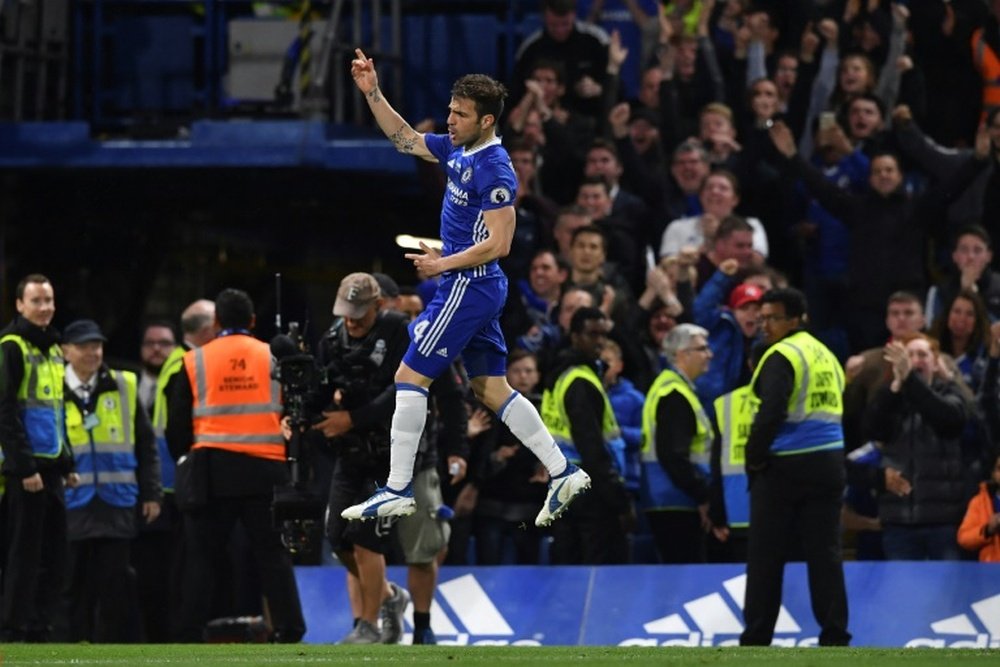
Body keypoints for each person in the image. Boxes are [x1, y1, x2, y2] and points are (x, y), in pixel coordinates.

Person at [342, 49, 590, 527]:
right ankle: (562, 471)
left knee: (409, 377)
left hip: (469, 284)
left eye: (460, 114)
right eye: (451, 111)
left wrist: (441, 265)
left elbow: (500, 244)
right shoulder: (458, 147)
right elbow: (405, 139)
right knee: (490, 388)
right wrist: (371, 90)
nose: (450, 120)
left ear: (488, 119)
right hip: (474, 285)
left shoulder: (496, 170)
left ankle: (397, 489)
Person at [166, 288, 305, 643]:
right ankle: (289, 628)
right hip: (267, 470)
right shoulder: (273, 356)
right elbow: (297, 409)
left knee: (202, 558)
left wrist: (186, 456)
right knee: (273, 555)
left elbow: (178, 425)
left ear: (216, 322)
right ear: (253, 321)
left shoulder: (194, 360)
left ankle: (188, 630)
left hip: (214, 470)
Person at [740, 287, 850, 647]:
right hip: (829, 462)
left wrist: (753, 458)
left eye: (773, 318)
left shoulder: (782, 354)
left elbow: (771, 412)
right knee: (826, 554)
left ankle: (757, 637)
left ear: (795, 320)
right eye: (762, 318)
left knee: (765, 556)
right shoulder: (827, 356)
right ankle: (834, 634)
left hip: (785, 465)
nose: (764, 325)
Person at [311, 273, 412, 645]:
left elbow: (405, 388)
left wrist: (353, 417)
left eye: (360, 314)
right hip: (350, 452)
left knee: (366, 539)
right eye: (346, 313)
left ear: (379, 305)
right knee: (337, 536)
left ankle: (367, 626)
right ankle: (389, 596)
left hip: (390, 452)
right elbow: (321, 390)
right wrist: (302, 414)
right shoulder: (331, 340)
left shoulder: (399, 331)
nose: (351, 321)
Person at [61, 318, 162, 643]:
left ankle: (110, 650)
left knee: (115, 584)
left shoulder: (124, 385)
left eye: (97, 345)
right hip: (70, 502)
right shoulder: (50, 390)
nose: (93, 352)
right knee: (71, 584)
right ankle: (72, 646)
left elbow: (146, 446)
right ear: (66, 352)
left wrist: (152, 493)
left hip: (116, 502)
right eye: (84, 346)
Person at [0, 274, 77, 642]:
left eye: (48, 300)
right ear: (19, 305)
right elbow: (5, 412)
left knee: (54, 554)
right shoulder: (11, 346)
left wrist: (68, 462)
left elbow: (57, 410)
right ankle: (13, 628)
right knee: (23, 556)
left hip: (52, 468)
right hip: (27, 471)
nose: (44, 307)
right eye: (36, 301)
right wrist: (23, 466)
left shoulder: (52, 347)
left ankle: (39, 625)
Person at [132, 298, 215, 642]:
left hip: (170, 484)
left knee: (169, 571)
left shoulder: (177, 364)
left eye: (162, 342)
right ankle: (174, 634)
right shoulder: (186, 362)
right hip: (171, 486)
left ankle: (170, 634)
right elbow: (176, 430)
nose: (157, 349)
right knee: (169, 571)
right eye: (150, 343)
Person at [867, 333, 970, 561]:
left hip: (942, 522)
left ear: (935, 363)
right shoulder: (890, 397)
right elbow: (875, 429)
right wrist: (895, 387)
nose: (915, 360)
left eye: (923, 355)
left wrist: (910, 380)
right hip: (899, 521)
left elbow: (949, 421)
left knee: (945, 595)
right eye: (909, 355)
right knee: (903, 592)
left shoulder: (950, 395)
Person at [540, 307, 631, 564]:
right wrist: (619, 501)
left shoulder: (560, 375)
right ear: (575, 336)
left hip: (563, 484)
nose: (600, 341)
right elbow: (592, 448)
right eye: (593, 334)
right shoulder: (580, 381)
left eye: (604, 334)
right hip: (590, 490)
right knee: (600, 567)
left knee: (569, 562)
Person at [641, 323, 714, 564]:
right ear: (682, 355)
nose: (709, 354)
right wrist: (702, 495)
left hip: (669, 499)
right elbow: (673, 455)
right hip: (677, 502)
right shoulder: (674, 394)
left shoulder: (672, 388)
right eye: (702, 349)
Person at [957, 452, 1000, 562]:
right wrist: (987, 530)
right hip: (990, 571)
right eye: (999, 469)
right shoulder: (979, 502)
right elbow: (964, 538)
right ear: (993, 474)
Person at [137, 321, 177, 414]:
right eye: (149, 343)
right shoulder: (124, 384)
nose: (156, 348)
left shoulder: (184, 387)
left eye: (164, 343)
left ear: (176, 348)